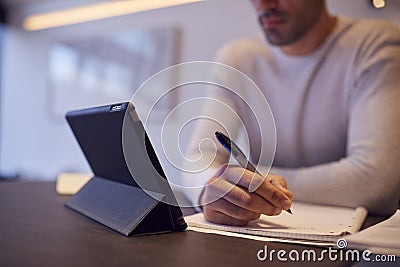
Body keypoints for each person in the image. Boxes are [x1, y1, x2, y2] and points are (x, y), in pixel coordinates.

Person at [181, 0, 400, 226]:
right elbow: (199, 158)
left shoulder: (374, 43)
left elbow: (377, 184)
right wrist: (210, 185)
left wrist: (249, 182)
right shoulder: (237, 58)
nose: (264, 4)